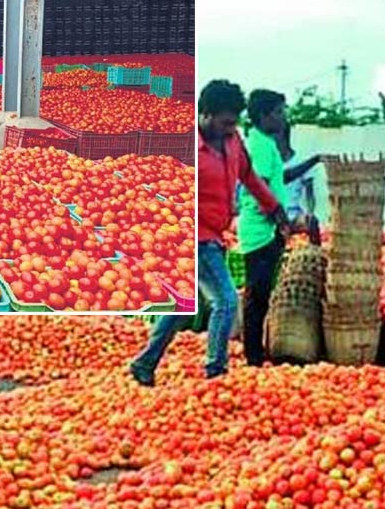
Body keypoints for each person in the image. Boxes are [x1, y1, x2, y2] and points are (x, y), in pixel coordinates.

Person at [130, 80, 287, 386]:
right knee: (226, 301)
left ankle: (145, 363)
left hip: (214, 233)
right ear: (205, 114)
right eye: (225, 122)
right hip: (193, 236)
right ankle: (216, 370)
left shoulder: (233, 141)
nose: (231, 129)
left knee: (182, 306)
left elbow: (249, 177)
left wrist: (274, 207)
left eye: (234, 122)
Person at [237, 89, 320, 367]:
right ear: (264, 116)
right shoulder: (261, 146)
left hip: (264, 230)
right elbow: (259, 187)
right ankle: (253, 355)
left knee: (260, 293)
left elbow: (278, 178)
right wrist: (280, 220)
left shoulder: (263, 143)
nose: (283, 118)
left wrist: (312, 161)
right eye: (279, 112)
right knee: (257, 295)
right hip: (261, 232)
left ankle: (256, 350)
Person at [277, 123, 322, 245]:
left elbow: (309, 192)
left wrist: (310, 212)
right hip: (275, 215)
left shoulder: (300, 159)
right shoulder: (269, 160)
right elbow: (285, 177)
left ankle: (316, 253)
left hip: (294, 214)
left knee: (312, 222)